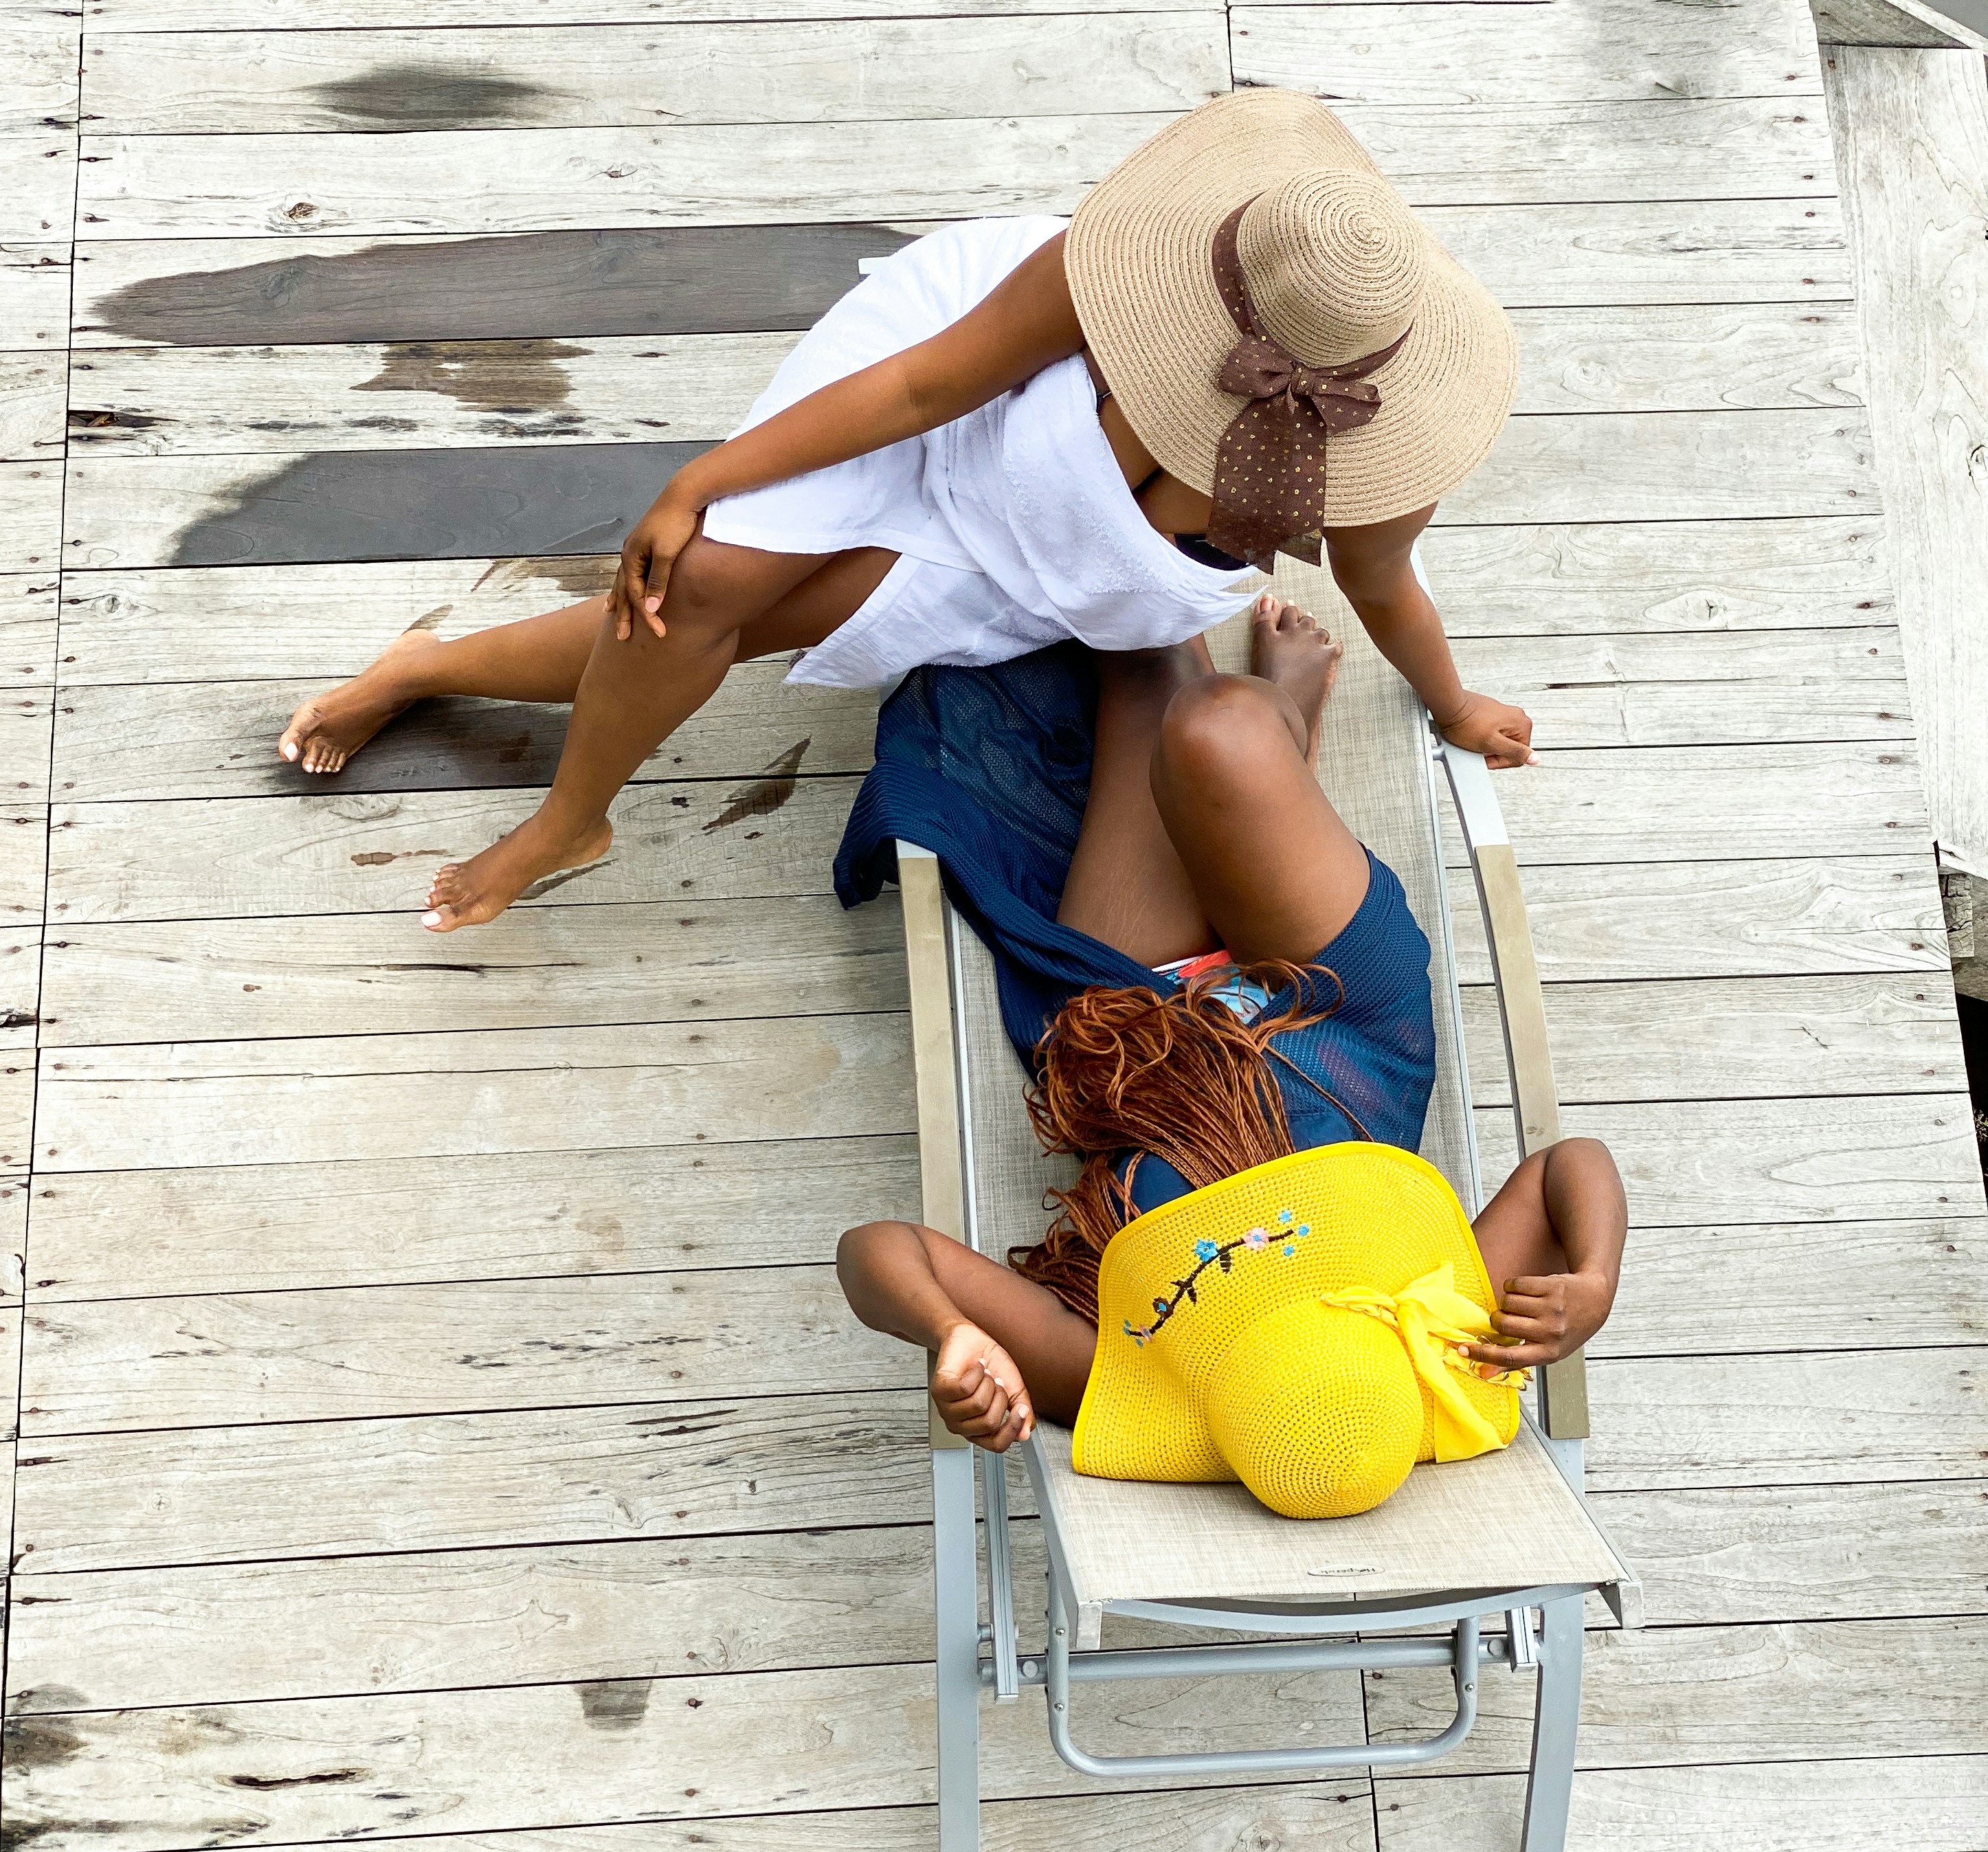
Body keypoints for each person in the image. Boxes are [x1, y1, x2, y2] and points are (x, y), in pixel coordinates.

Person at [274, 91, 1535, 932]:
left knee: (732, 612)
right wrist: (702, 478)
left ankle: (429, 667)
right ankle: (569, 818)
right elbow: (925, 385)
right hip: (954, 387)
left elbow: (1381, 586)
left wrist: (1454, 700)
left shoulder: (1373, 459)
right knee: (706, 570)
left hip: (1036, 561)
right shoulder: (1108, 277)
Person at [832, 597, 1626, 1491]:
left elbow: (877, 1249)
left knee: (1159, 662)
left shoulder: (1123, 1372)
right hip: (1341, 1015)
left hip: (1146, 1032)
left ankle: (1272, 760)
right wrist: (1593, 1280)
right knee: (1223, 727)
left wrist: (950, 1331)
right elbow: (1568, 1168)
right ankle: (1284, 731)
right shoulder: (1447, 1338)